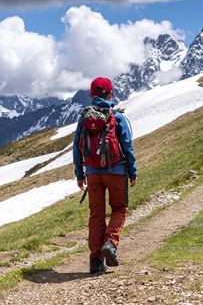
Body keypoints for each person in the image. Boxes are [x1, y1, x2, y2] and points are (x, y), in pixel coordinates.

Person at [73, 77, 138, 274]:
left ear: (92, 94)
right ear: (110, 94)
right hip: (117, 171)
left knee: (96, 215)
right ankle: (110, 243)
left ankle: (95, 261)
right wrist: (133, 172)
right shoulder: (117, 117)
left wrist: (79, 173)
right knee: (119, 208)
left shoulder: (84, 118)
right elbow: (127, 146)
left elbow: (77, 147)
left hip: (92, 174)